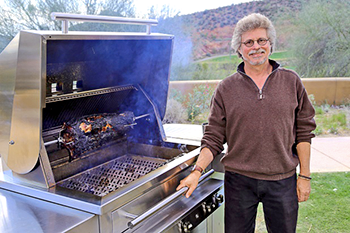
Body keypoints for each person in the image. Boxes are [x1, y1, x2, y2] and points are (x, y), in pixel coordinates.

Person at [176, 13, 316, 233]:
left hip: (282, 180)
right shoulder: (226, 88)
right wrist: (196, 171)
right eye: (248, 42)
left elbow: (304, 133)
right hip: (239, 182)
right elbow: (213, 137)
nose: (256, 47)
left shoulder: (292, 81)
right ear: (239, 49)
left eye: (262, 40)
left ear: (271, 45)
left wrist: (305, 176)